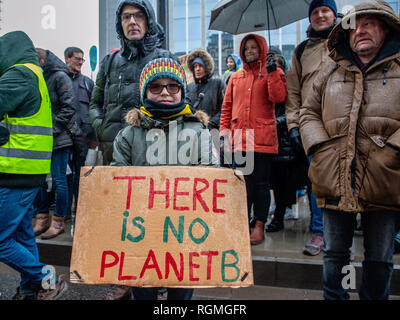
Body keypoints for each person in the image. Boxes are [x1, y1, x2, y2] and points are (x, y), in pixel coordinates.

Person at [299, 0, 400, 300]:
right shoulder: (330, 71)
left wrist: (391, 151)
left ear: (385, 29)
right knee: (334, 253)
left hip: (385, 178)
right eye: (354, 26)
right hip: (334, 175)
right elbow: (308, 112)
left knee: (380, 256)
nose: (360, 31)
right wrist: (322, 147)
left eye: (369, 24)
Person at [111, 57, 217, 300]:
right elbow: (116, 185)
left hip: (185, 236)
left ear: (182, 90)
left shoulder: (199, 132)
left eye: (173, 86)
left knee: (180, 297)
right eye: (156, 86)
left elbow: (211, 181)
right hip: (141, 235)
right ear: (145, 91)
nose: (165, 92)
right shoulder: (128, 135)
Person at [0, 31, 67, 300]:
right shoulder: (35, 74)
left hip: (14, 168)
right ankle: (29, 288)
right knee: (22, 234)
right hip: (29, 170)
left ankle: (46, 278)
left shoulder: (18, 74)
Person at [219, 34, 287, 245]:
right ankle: (242, 223)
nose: (249, 51)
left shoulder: (272, 72)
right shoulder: (235, 77)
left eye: (254, 47)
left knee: (261, 184)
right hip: (239, 138)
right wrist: (223, 133)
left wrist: (272, 72)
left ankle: (259, 225)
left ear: (262, 49)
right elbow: (226, 108)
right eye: (246, 48)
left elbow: (278, 97)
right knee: (242, 183)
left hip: (262, 137)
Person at [90, 0, 175, 165]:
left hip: (154, 152)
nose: (132, 22)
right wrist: (102, 128)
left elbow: (180, 103)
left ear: (149, 21)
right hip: (112, 149)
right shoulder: (109, 61)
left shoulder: (165, 59)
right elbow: (95, 103)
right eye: (126, 17)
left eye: (138, 16)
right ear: (120, 23)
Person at [286, 0, 339, 256]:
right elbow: (292, 92)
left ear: (334, 14)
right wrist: (293, 125)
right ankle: (319, 232)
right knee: (317, 182)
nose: (320, 15)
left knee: (346, 181)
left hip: (343, 125)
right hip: (311, 126)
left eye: (325, 10)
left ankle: (341, 233)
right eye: (315, 12)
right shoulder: (301, 50)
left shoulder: (347, 41)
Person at [33, 48, 76, 239]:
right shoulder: (40, 77)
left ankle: (58, 221)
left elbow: (69, 105)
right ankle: (42, 220)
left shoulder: (59, 76)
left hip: (58, 139)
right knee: (40, 180)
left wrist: (53, 129)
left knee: (59, 180)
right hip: (42, 138)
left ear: (41, 61)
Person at [265, 48, 307, 232]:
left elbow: (293, 109)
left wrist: (275, 122)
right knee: (275, 182)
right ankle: (279, 214)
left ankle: (280, 215)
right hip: (270, 141)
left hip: (286, 140)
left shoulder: (290, 83)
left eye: (278, 62)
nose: (275, 66)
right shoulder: (266, 82)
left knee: (286, 183)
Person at [64, 47, 95, 218]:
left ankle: (80, 206)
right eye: (77, 59)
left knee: (81, 174)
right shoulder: (59, 80)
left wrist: (94, 137)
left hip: (83, 136)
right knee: (64, 175)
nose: (80, 62)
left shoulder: (87, 83)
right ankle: (65, 210)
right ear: (67, 59)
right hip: (63, 136)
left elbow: (95, 107)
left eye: (82, 60)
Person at [186, 49, 226, 133]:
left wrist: (210, 123)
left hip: (213, 131)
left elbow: (224, 109)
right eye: (195, 66)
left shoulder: (218, 84)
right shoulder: (189, 87)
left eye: (200, 66)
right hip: (192, 133)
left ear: (206, 67)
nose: (197, 69)